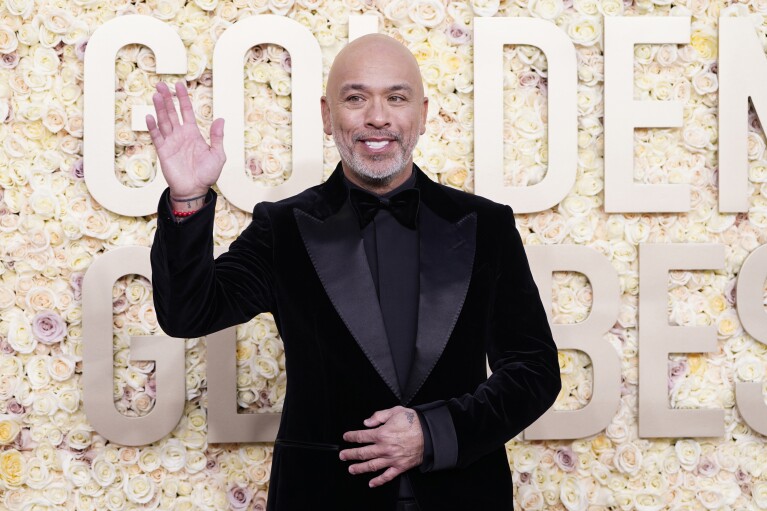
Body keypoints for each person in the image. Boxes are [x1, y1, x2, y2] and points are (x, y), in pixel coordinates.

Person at [147, 34, 560, 511]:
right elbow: (187, 312)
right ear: (327, 115)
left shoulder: (487, 226)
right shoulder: (282, 229)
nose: (377, 117)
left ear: (423, 115)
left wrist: (434, 433)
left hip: (464, 493)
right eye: (356, 98)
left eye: (396, 98)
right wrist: (188, 198)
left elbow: (535, 370)